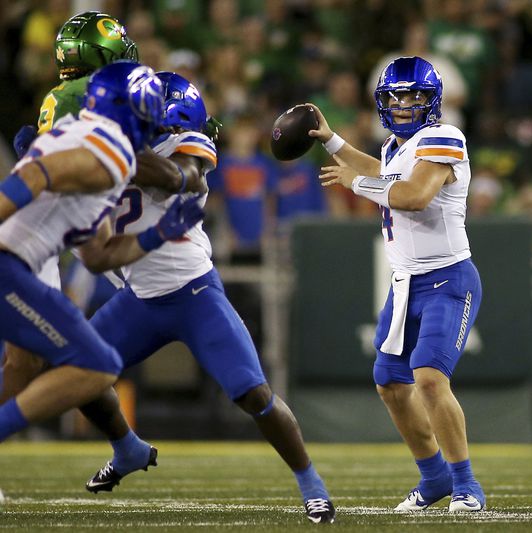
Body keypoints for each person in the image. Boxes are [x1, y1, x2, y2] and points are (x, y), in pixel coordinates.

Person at [76, 72, 335, 525]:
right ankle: (129, 450)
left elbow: (187, 179)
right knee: (74, 371)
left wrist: (108, 148)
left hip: (193, 293)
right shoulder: (111, 146)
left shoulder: (183, 145)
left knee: (254, 394)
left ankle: (311, 483)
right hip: (138, 298)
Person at [310, 56, 485, 512]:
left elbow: (413, 195)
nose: (404, 104)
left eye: (413, 96)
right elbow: (381, 170)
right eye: (395, 97)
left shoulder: (446, 137)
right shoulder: (393, 147)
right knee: (389, 382)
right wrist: (331, 141)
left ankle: (466, 484)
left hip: (449, 278)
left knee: (428, 378)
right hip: (406, 282)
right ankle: (434, 479)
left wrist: (357, 184)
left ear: (432, 101)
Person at [0, 61, 201, 443]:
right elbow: (36, 175)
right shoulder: (112, 150)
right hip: (9, 263)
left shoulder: (88, 136)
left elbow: (97, 255)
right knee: (93, 365)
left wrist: (157, 235)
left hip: (17, 267)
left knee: (57, 363)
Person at [4, 10, 140, 409]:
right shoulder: (90, 93)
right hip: (56, 227)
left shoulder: (64, 95)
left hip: (59, 224)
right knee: (66, 357)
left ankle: (126, 446)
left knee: (32, 358)